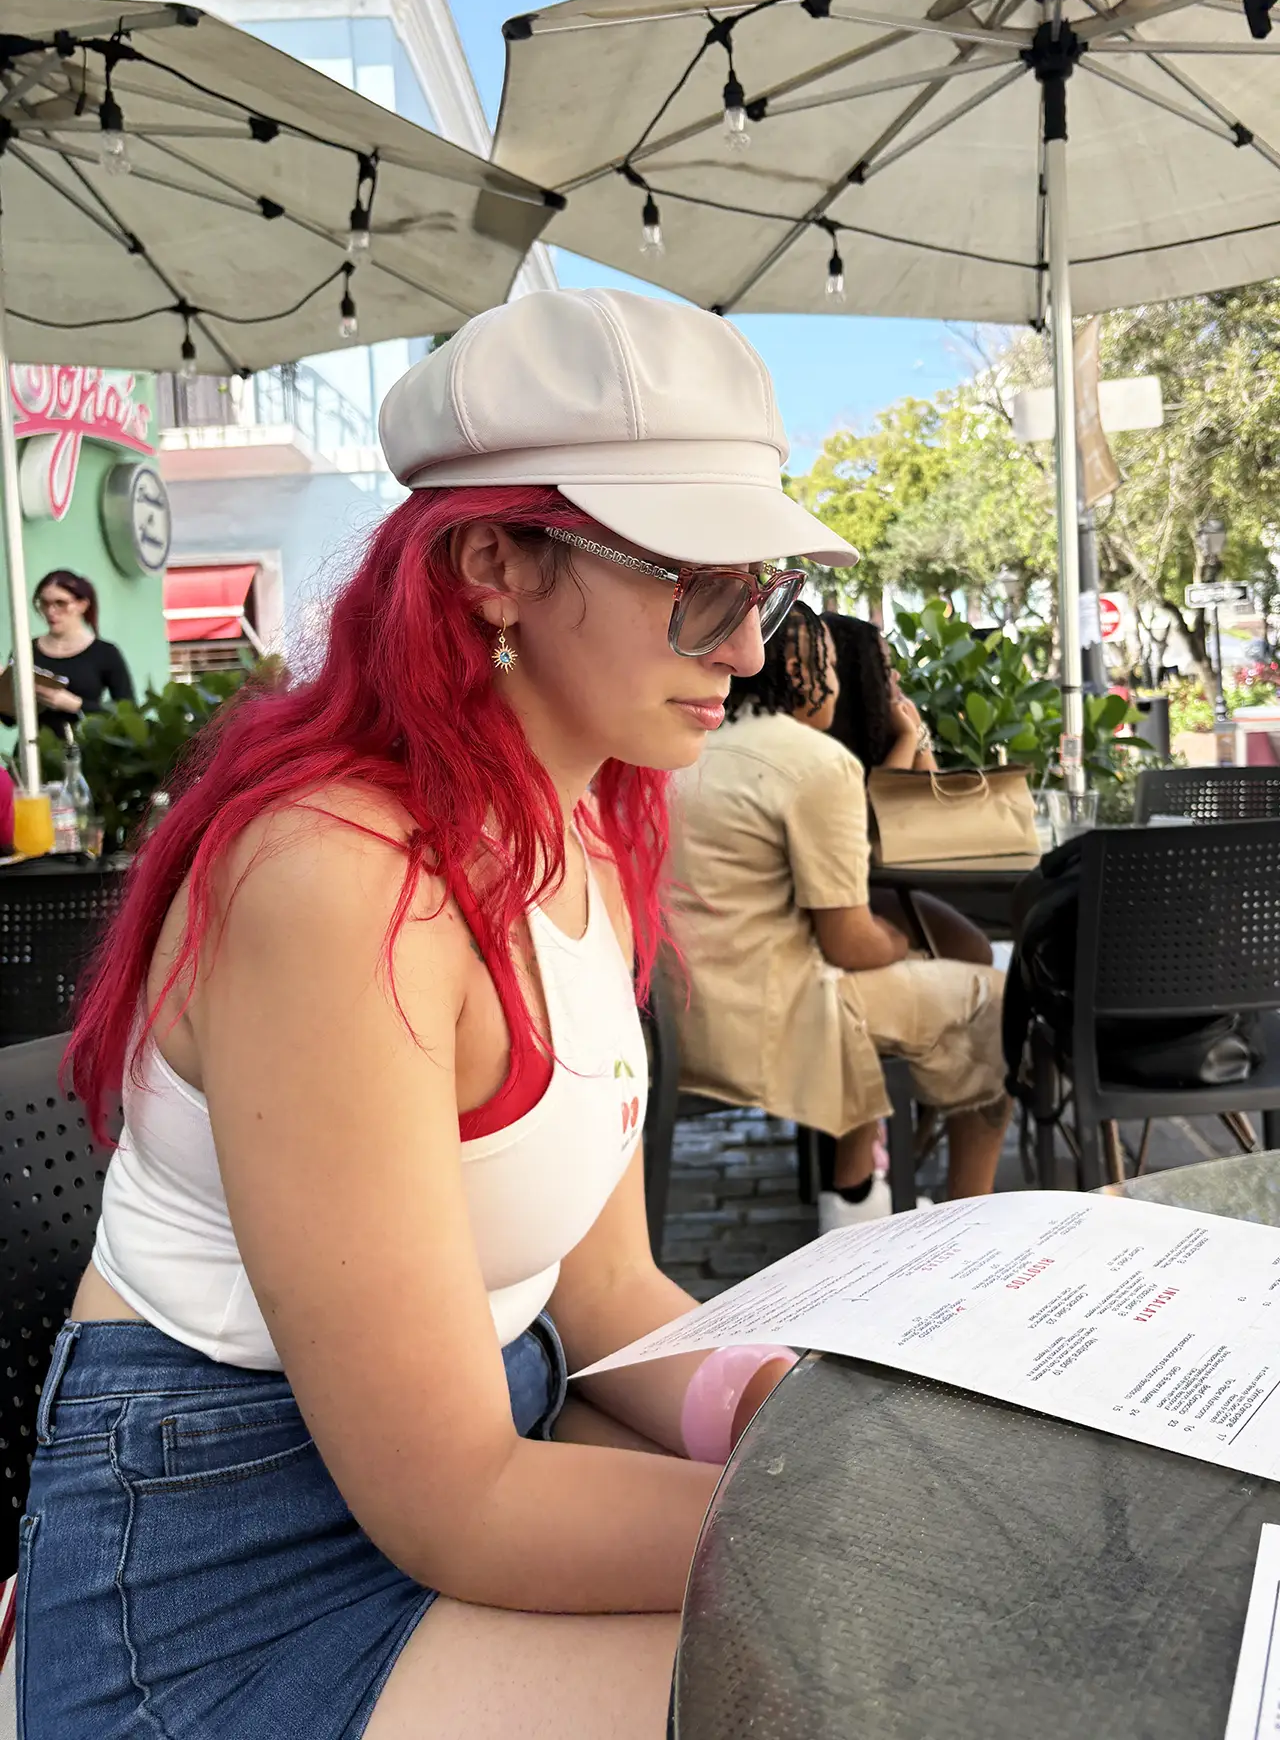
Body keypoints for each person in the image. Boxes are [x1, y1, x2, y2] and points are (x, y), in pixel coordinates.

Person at [17, 289, 855, 1740]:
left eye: (764, 591)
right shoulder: (342, 881)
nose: (746, 651)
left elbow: (598, 1301)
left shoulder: (581, 824)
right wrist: (851, 1524)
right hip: (221, 1573)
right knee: (842, 1672)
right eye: (700, 588)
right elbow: (453, 1504)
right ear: (492, 563)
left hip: (488, 1449)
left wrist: (798, 1421)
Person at [668, 607, 1013, 1233]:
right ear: (799, 667)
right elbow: (852, 943)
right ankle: (971, 1221)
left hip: (682, 1021)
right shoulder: (812, 761)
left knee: (917, 979)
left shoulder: (680, 748)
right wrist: (901, 942)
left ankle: (857, 1196)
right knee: (991, 998)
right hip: (780, 1021)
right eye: (828, 661)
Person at [823, 610, 993, 967]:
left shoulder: (884, 726)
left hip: (884, 882)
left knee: (975, 948)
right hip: (848, 893)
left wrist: (917, 738)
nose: (896, 676)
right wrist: (907, 738)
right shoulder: (825, 744)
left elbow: (930, 805)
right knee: (971, 950)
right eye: (885, 668)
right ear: (857, 676)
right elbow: (872, 813)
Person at [24, 570, 135, 732]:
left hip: (87, 750)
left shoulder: (105, 653)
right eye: (44, 603)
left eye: (60, 603)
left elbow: (129, 713)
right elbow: (9, 719)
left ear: (82, 605)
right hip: (33, 751)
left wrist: (76, 704)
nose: (51, 612)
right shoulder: (26, 651)